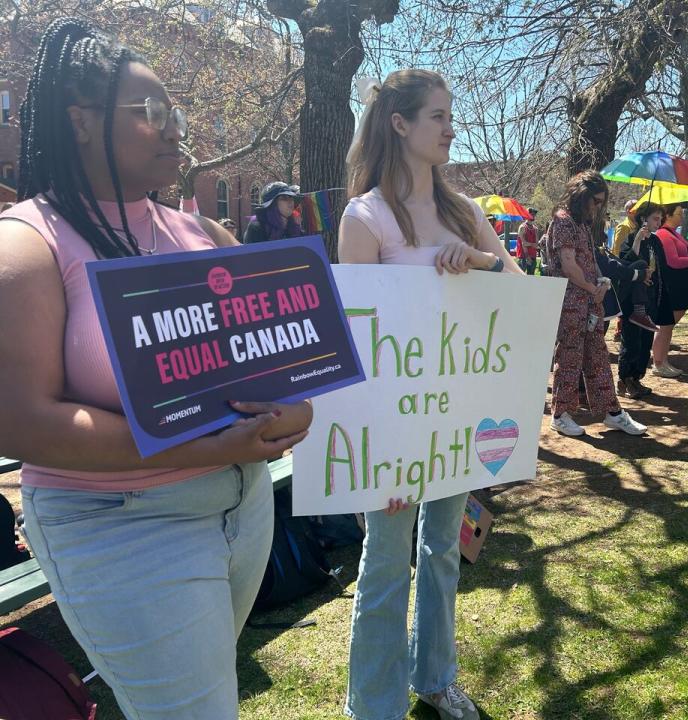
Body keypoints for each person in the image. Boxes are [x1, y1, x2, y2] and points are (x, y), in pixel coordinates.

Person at [0, 19, 313, 719]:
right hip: (123, 524)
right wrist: (203, 447)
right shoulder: (28, 244)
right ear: (81, 122)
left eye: (175, 114)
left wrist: (295, 408)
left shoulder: (202, 232)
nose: (174, 129)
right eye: (151, 114)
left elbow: (277, 363)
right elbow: (19, 421)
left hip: (241, 511)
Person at [338, 69, 521, 720]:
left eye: (450, 115)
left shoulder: (464, 212)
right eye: (438, 116)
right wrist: (374, 450)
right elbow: (357, 346)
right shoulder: (366, 218)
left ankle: (435, 677)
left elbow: (520, 289)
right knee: (385, 565)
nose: (450, 127)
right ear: (399, 124)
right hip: (395, 428)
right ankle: (374, 706)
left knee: (444, 549)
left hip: (458, 417)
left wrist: (481, 261)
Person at [546, 170, 648, 438]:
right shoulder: (563, 222)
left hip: (590, 302)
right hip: (571, 303)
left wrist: (598, 283)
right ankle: (560, 414)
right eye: (595, 200)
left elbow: (585, 263)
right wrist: (593, 287)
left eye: (601, 201)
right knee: (569, 358)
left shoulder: (580, 224)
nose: (598, 206)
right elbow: (568, 266)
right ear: (581, 196)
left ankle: (611, 412)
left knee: (598, 358)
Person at [617, 202, 669, 399]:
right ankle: (625, 379)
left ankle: (637, 377)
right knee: (631, 339)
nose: (659, 222)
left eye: (660, 219)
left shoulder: (656, 242)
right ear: (642, 219)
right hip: (633, 299)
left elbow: (662, 268)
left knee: (646, 340)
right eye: (655, 218)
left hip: (651, 297)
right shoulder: (631, 238)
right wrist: (638, 239)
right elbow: (626, 263)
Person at [652, 203, 688, 377]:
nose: (682, 216)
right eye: (679, 213)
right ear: (669, 215)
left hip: (681, 285)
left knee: (668, 326)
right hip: (673, 285)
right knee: (665, 325)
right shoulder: (664, 234)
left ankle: (663, 360)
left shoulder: (674, 233)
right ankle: (658, 362)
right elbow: (673, 261)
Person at [515, 208, 539, 274]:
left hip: (533, 256)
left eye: (534, 214)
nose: (533, 216)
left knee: (531, 278)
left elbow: (536, 244)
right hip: (523, 257)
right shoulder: (522, 227)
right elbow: (524, 243)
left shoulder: (535, 229)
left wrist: (529, 244)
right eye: (531, 214)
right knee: (520, 277)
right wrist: (527, 256)